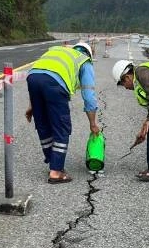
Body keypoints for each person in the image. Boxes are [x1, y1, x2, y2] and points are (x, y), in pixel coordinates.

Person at [25, 42, 100, 184]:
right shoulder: (84, 61)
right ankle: (56, 171)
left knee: (43, 124)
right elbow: (89, 97)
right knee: (61, 127)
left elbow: (42, 74)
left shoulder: (59, 51)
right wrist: (92, 124)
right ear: (88, 54)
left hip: (33, 77)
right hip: (55, 83)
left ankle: (52, 161)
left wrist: (32, 106)